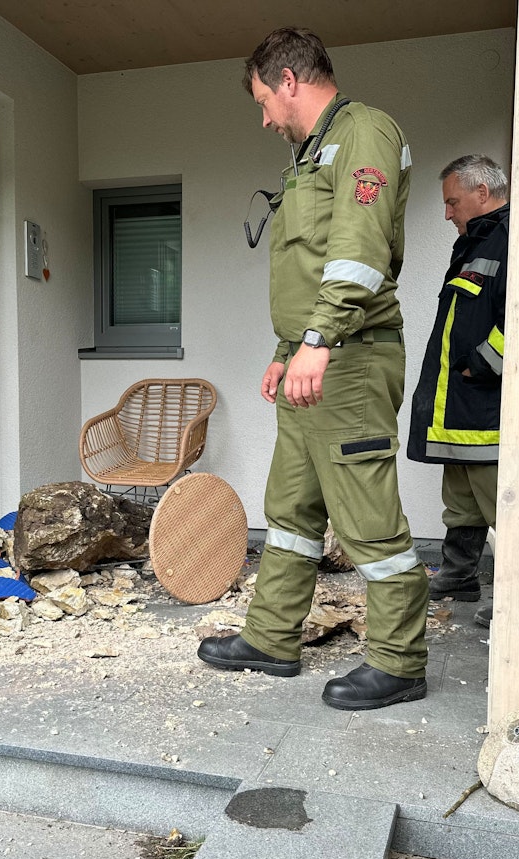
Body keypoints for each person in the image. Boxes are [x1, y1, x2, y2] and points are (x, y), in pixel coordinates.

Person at [197, 27, 428, 710]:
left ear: (289, 80)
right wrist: (285, 351)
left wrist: (320, 339)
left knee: (367, 517)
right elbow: (307, 266)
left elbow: (357, 253)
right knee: (292, 510)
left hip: (349, 360)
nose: (264, 117)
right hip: (315, 358)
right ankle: (271, 639)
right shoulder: (307, 155)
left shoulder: (364, 133)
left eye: (264, 100)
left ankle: (399, 660)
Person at [406, 155, 510, 628]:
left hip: (487, 407)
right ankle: (459, 576)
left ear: (482, 193)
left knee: (500, 506)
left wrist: (479, 367)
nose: (447, 212)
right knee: (462, 500)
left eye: (453, 201)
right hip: (461, 408)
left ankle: (516, 596)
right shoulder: (477, 242)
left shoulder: (512, 240)